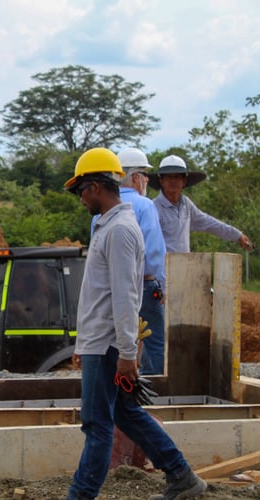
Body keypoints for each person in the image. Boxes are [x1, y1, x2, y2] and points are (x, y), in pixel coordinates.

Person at [64, 148, 206, 500]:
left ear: (96, 187)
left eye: (80, 191)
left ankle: (79, 496)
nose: (80, 199)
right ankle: (181, 475)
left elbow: (128, 296)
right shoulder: (109, 226)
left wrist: (127, 353)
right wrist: (84, 343)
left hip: (109, 345)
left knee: (97, 425)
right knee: (126, 413)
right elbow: (99, 294)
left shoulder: (121, 231)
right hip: (101, 342)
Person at [116, 147, 166, 375]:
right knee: (154, 340)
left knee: (117, 341)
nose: (147, 180)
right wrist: (163, 286)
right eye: (145, 175)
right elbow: (154, 253)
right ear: (135, 177)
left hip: (114, 287)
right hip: (145, 286)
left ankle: (121, 391)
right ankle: (152, 391)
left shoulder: (103, 207)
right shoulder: (146, 206)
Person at [149, 154, 253, 253]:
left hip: (184, 265)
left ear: (184, 181)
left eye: (177, 177)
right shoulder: (153, 207)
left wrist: (237, 235)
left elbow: (208, 222)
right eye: (168, 177)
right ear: (161, 181)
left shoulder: (186, 204)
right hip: (161, 267)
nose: (173, 181)